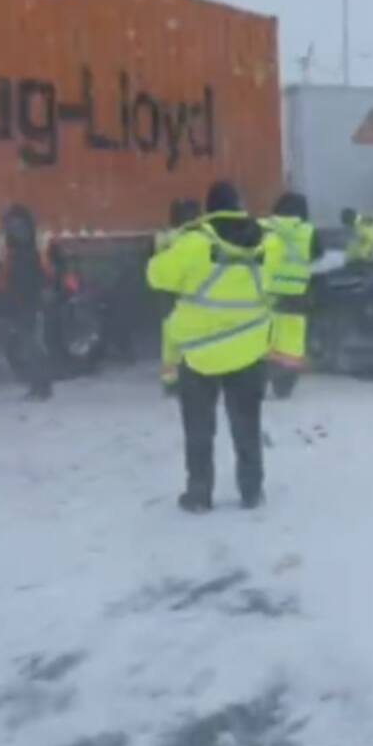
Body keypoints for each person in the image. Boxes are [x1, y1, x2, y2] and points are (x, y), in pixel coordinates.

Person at [147, 181, 271, 512]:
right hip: (249, 349)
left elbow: (156, 276)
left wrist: (169, 245)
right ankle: (251, 490)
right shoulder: (262, 242)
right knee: (247, 426)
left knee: (199, 430)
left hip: (201, 355)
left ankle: (199, 494)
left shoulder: (194, 243)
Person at [0, 204, 56, 400]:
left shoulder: (30, 248)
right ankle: (39, 385)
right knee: (30, 343)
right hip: (22, 299)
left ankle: (41, 386)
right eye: (13, 225)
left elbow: (43, 272)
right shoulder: (20, 247)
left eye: (18, 225)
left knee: (32, 344)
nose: (16, 229)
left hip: (28, 299)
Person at [260, 192, 317, 399]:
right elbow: (317, 258)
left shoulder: (264, 227)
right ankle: (284, 386)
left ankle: (258, 382)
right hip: (296, 298)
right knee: (291, 346)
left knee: (262, 341)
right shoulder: (309, 232)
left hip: (266, 295)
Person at [155, 197, 203, 395]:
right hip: (192, 295)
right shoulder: (198, 239)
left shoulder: (163, 237)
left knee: (171, 342)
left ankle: (170, 380)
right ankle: (196, 376)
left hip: (168, 296)